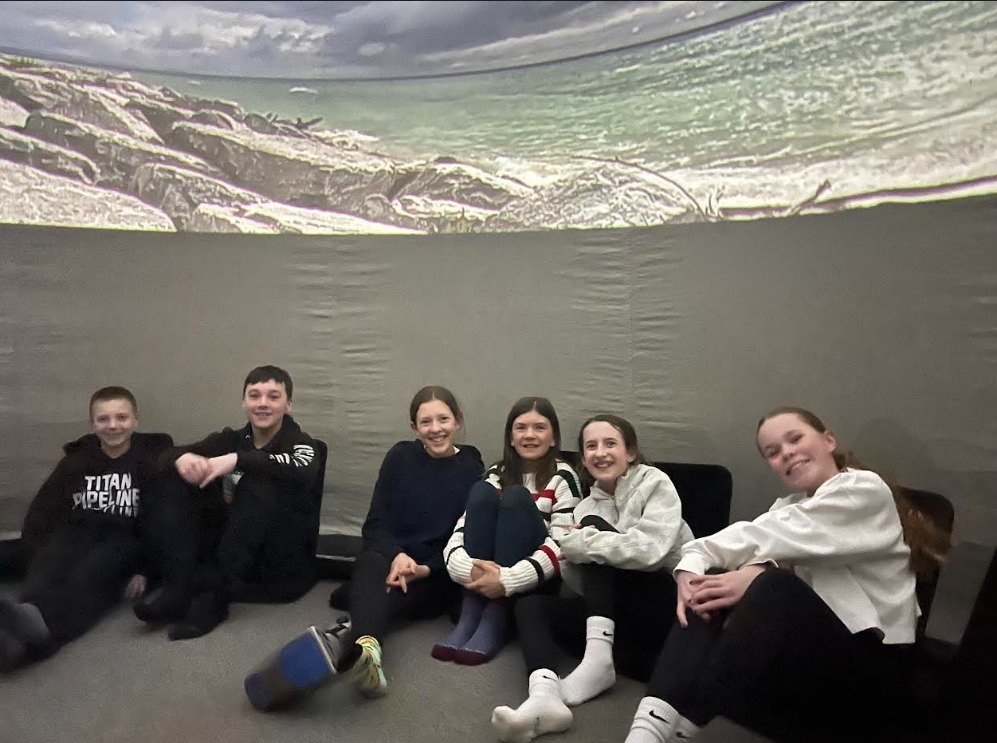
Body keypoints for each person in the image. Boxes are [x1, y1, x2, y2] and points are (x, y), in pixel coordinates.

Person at [623, 406, 949, 743]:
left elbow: (768, 540)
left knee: (772, 587)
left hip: (871, 670)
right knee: (714, 583)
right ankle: (647, 730)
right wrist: (698, 566)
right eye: (773, 452)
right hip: (807, 663)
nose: (787, 453)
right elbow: (762, 539)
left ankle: (685, 729)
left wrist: (744, 569)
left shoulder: (863, 490)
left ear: (828, 440)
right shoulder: (788, 508)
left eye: (795, 439)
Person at [243, 385, 483, 711]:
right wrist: (397, 556)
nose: (436, 428)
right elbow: (375, 524)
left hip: (433, 573)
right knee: (372, 562)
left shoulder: (472, 469)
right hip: (388, 560)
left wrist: (423, 568)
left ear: (458, 421)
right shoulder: (400, 457)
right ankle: (368, 652)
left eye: (443, 419)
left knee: (371, 595)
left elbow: (465, 539)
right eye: (425, 422)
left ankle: (351, 633)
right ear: (414, 427)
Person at [492, 414, 694, 743]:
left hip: (669, 602)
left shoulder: (655, 483)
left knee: (594, 532)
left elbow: (650, 551)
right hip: (616, 615)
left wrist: (583, 542)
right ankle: (544, 696)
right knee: (531, 607)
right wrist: (574, 552)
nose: (600, 452)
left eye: (610, 443)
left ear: (630, 452)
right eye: (591, 446)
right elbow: (577, 580)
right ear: (584, 458)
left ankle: (598, 660)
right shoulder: (587, 504)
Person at [0, 386, 174, 672]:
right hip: (77, 531)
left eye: (121, 417)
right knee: (46, 569)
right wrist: (38, 549)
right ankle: (21, 623)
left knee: (89, 578)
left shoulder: (150, 462)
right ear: (93, 424)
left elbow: (161, 521)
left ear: (135, 421)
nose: (113, 425)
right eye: (103, 419)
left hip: (124, 539)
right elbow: (43, 509)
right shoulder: (76, 462)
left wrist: (148, 570)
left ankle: (34, 636)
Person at [146, 365, 321, 640]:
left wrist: (238, 460)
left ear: (289, 404)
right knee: (178, 478)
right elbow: (167, 456)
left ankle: (212, 601)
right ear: (244, 402)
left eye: (273, 397)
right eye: (254, 395)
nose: (262, 403)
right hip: (232, 552)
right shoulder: (231, 439)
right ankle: (179, 585)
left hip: (280, 565)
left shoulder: (302, 443)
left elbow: (302, 469)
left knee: (257, 482)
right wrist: (181, 460)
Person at [434, 396, 582, 665]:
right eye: (521, 428)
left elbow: (563, 547)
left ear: (553, 438)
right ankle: (471, 614)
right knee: (481, 492)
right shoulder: (496, 472)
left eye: (539, 428)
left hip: (532, 582)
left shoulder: (564, 477)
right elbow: (462, 529)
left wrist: (507, 580)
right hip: (482, 578)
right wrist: (469, 569)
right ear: (511, 438)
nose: (529, 435)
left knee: (515, 497)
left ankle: (496, 617)